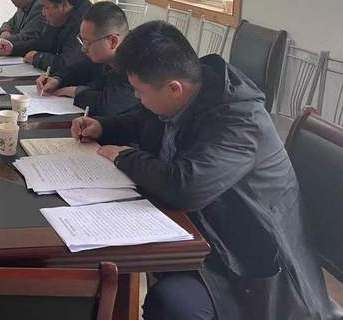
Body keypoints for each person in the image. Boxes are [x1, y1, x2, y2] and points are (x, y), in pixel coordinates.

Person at [73, 21, 337, 320]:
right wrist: (103, 126)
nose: (137, 98)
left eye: (139, 91)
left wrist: (126, 157)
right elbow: (144, 118)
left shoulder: (240, 121)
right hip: (211, 235)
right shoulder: (193, 89)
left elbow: (184, 188)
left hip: (255, 271)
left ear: (174, 89)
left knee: (172, 302)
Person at [37, 1, 137, 116]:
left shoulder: (135, 63)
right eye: (82, 41)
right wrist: (57, 80)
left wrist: (76, 92)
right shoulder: (103, 56)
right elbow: (80, 69)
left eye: (87, 43)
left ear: (113, 41)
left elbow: (107, 105)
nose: (83, 49)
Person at [0, 0, 96, 81]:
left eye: (46, 7)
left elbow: (67, 64)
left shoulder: (86, 21)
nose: (43, 13)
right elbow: (43, 43)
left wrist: (37, 58)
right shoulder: (61, 17)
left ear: (64, 5)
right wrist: (13, 48)